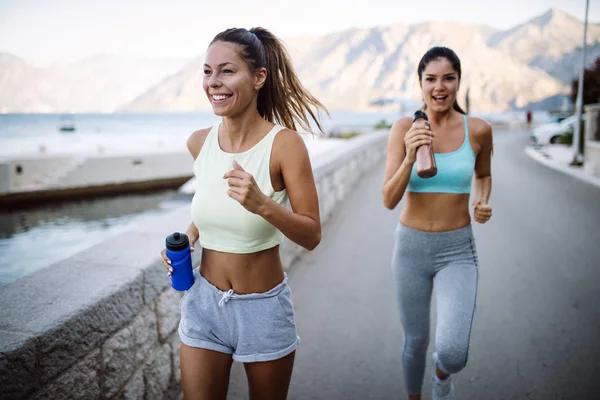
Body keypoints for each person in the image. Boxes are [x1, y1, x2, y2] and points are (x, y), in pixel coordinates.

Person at [160, 27, 327, 400]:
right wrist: (189, 236)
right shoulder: (199, 143)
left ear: (258, 77)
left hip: (263, 308)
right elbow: (211, 205)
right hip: (204, 303)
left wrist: (262, 204)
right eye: (207, 71)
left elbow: (312, 234)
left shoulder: (284, 145)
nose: (213, 82)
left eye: (226, 71)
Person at [382, 46, 493, 400]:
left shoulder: (478, 130)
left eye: (448, 78)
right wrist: (410, 156)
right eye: (431, 79)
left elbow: (484, 174)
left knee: (453, 351)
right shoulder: (403, 128)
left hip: (457, 250)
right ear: (421, 83)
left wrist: (482, 200)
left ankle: (442, 376)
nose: (439, 86)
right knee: (415, 341)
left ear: (458, 82)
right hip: (411, 249)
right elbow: (388, 199)